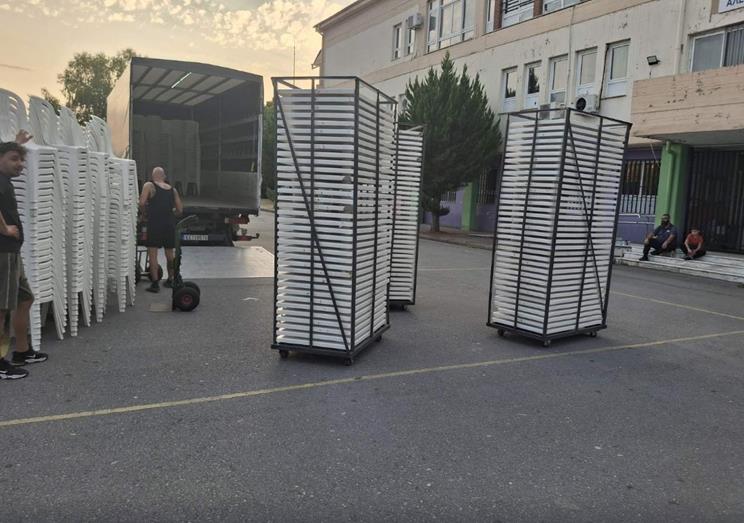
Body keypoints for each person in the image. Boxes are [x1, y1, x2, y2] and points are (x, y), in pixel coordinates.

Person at [0, 133, 49, 380]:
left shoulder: (4, 180)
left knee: (25, 299)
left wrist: (16, 144)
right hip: (3, 252)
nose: (19, 164)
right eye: (14, 159)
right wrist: (4, 229)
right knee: (1, 308)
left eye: (21, 160)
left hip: (12, 252)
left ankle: (21, 351)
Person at [138, 167, 183, 293]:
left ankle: (155, 284)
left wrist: (144, 214)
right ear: (164, 177)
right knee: (170, 254)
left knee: (153, 254)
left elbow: (141, 203)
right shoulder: (173, 190)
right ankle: (171, 280)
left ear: (153, 176)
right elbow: (180, 210)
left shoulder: (149, 185)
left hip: (154, 224)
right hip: (169, 225)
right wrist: (170, 214)